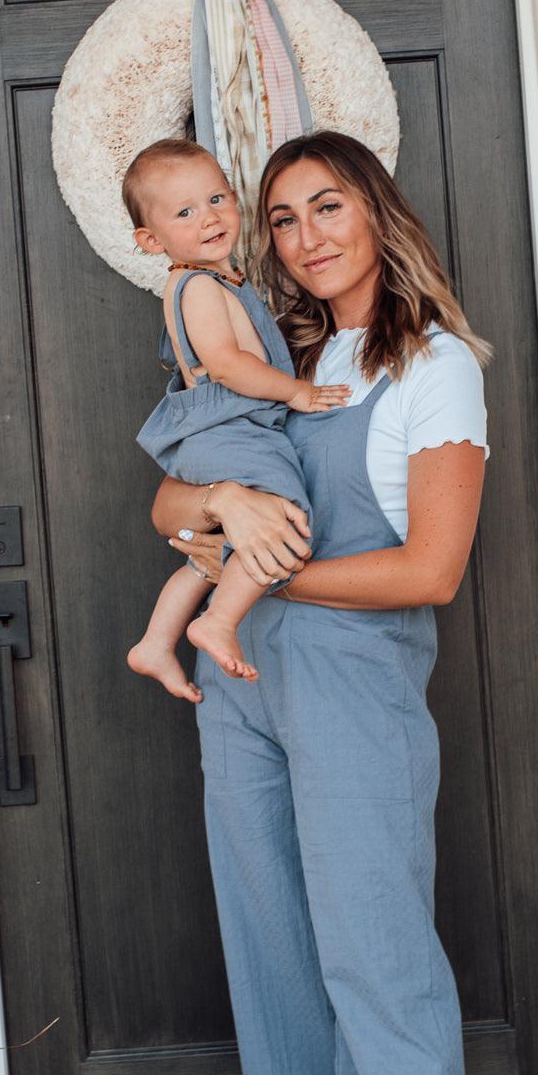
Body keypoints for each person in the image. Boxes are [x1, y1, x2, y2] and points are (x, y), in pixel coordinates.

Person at [151, 131, 489, 1075]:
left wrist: (270, 567)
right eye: (284, 218)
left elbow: (431, 570)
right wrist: (224, 501)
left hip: (350, 683)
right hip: (243, 683)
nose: (306, 237)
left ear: (375, 211)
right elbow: (165, 506)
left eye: (327, 206)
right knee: (282, 946)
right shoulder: (269, 349)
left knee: (376, 949)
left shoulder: (433, 366)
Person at [124, 138, 350, 697]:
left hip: (224, 433)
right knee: (284, 517)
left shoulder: (221, 278)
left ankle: (156, 641)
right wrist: (296, 392)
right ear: (151, 240)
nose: (208, 218)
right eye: (184, 212)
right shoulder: (199, 285)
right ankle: (218, 622)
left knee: (215, 557)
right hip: (231, 430)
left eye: (216, 199)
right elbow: (226, 365)